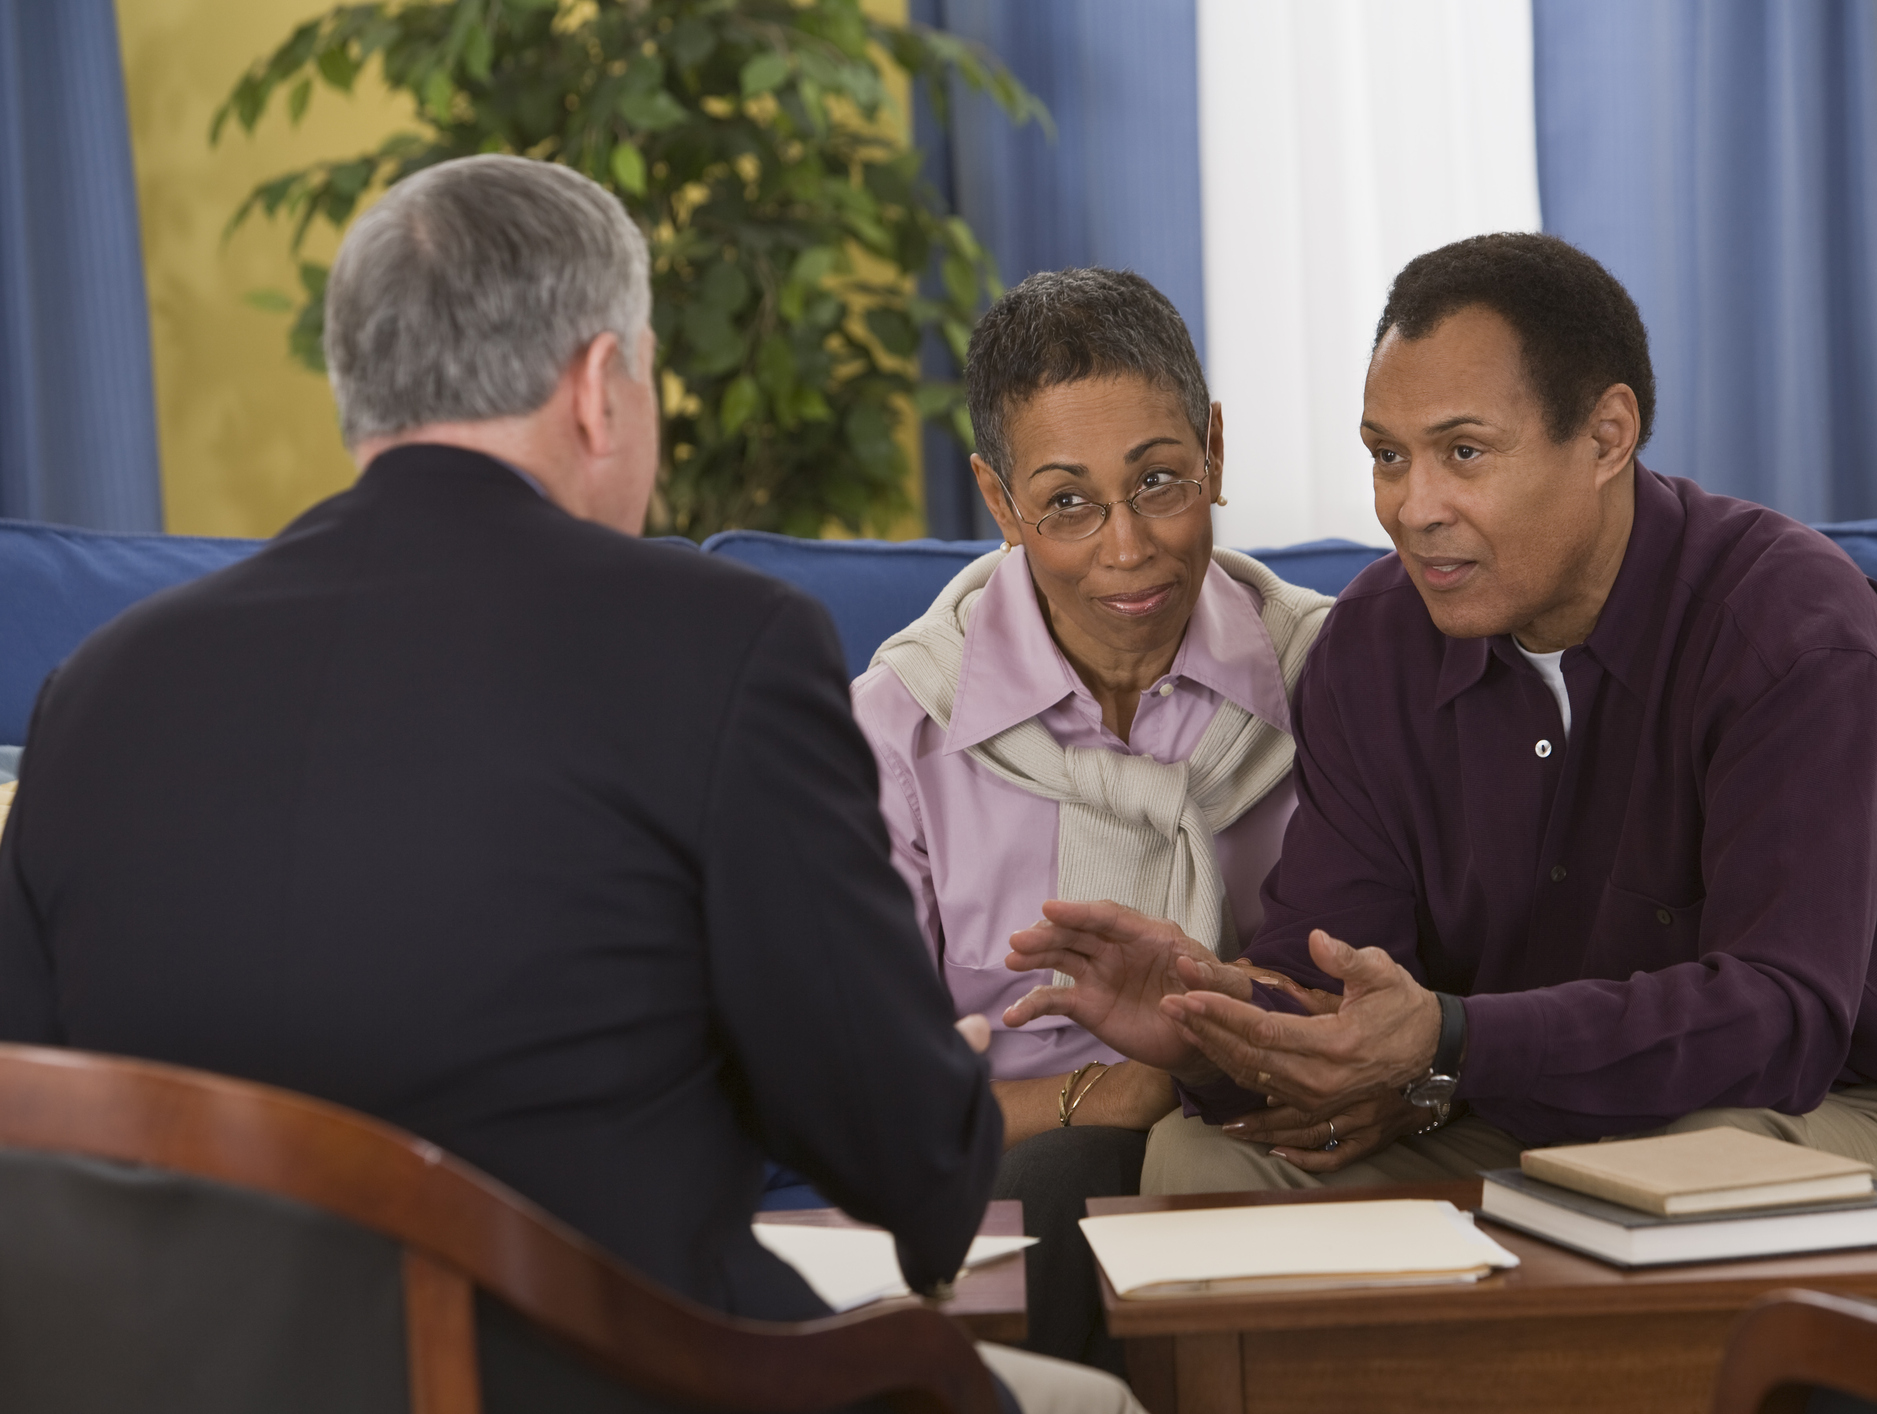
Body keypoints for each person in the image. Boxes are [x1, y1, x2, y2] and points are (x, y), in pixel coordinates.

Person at [0, 154, 1139, 1413]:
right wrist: (939, 1090)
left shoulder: (94, 694)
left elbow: (35, 1142)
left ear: (361, 391)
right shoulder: (721, 646)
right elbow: (908, 1161)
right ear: (603, 386)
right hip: (610, 1379)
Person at [1002, 232, 1877, 1282]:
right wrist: (1210, 1016)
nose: (1411, 506)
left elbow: (1785, 1019)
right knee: (1199, 1161)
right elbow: (1334, 991)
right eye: (1387, 455)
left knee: (1661, 1201)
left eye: (1463, 452)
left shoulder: (1790, 621)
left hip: (1812, 1116)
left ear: (1608, 434)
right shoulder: (1372, 647)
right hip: (1499, 1119)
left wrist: (1451, 1038)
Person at [853, 268, 1331, 1368]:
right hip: (1034, 1170)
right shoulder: (900, 733)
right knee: (1063, 1188)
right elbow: (870, 1100)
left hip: (1284, 1127)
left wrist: (1209, 1075)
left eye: (1160, 479)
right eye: (1068, 501)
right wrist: (1115, 1093)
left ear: (1214, 447)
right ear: (1000, 499)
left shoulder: (1331, 677)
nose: (1128, 547)